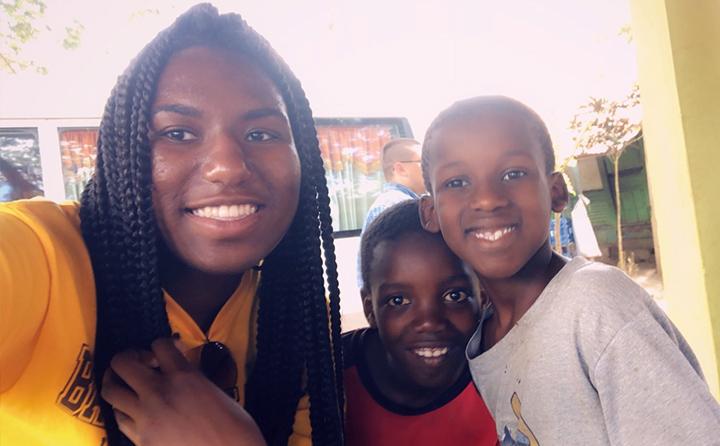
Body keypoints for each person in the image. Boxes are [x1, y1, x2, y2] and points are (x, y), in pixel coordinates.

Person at [0, 4, 344, 446]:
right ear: (123, 154)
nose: (228, 167)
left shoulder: (306, 322)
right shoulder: (41, 256)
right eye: (177, 133)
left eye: (261, 134)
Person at [418, 96, 720, 445]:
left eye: (513, 173)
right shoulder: (484, 336)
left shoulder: (595, 306)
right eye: (457, 182)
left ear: (556, 192)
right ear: (431, 213)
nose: (487, 199)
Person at [345, 199, 497, 445]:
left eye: (454, 296)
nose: (429, 322)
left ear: (482, 297)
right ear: (370, 309)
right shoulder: (329, 377)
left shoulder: (502, 377)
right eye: (398, 300)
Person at [357, 138, 425, 288]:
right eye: (423, 162)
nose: (429, 168)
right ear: (400, 169)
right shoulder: (394, 206)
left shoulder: (404, 202)